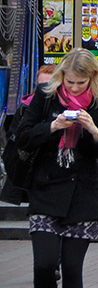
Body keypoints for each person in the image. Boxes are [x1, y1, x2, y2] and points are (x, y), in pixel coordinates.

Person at [15, 50, 98, 288]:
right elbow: (23, 138)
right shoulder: (45, 99)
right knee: (44, 267)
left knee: (72, 271)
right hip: (46, 193)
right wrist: (53, 126)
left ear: (92, 79)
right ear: (61, 78)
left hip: (82, 198)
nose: (74, 88)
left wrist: (93, 130)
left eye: (81, 83)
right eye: (70, 82)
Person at [1, 64, 55, 206]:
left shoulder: (61, 106)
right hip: (25, 163)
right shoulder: (25, 106)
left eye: (48, 85)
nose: (44, 90)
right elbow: (15, 135)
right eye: (41, 85)